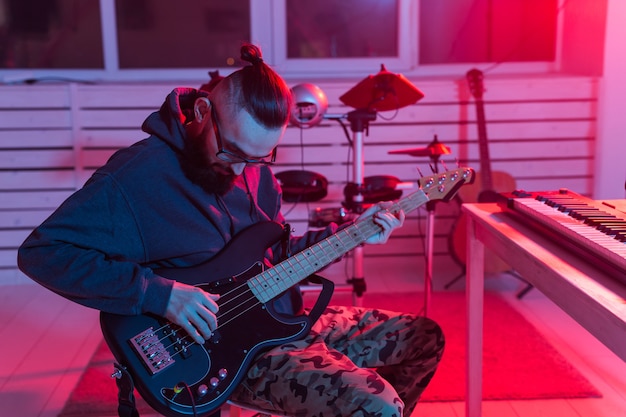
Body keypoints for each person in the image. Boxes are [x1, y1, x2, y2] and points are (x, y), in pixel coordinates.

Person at [17, 43, 444, 417]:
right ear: (202, 112)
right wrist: (158, 294)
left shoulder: (254, 169)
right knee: (379, 405)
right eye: (233, 153)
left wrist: (356, 232)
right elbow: (43, 252)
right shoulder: (135, 178)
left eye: (259, 158)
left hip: (283, 318)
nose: (242, 170)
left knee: (425, 338)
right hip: (219, 349)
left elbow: (275, 255)